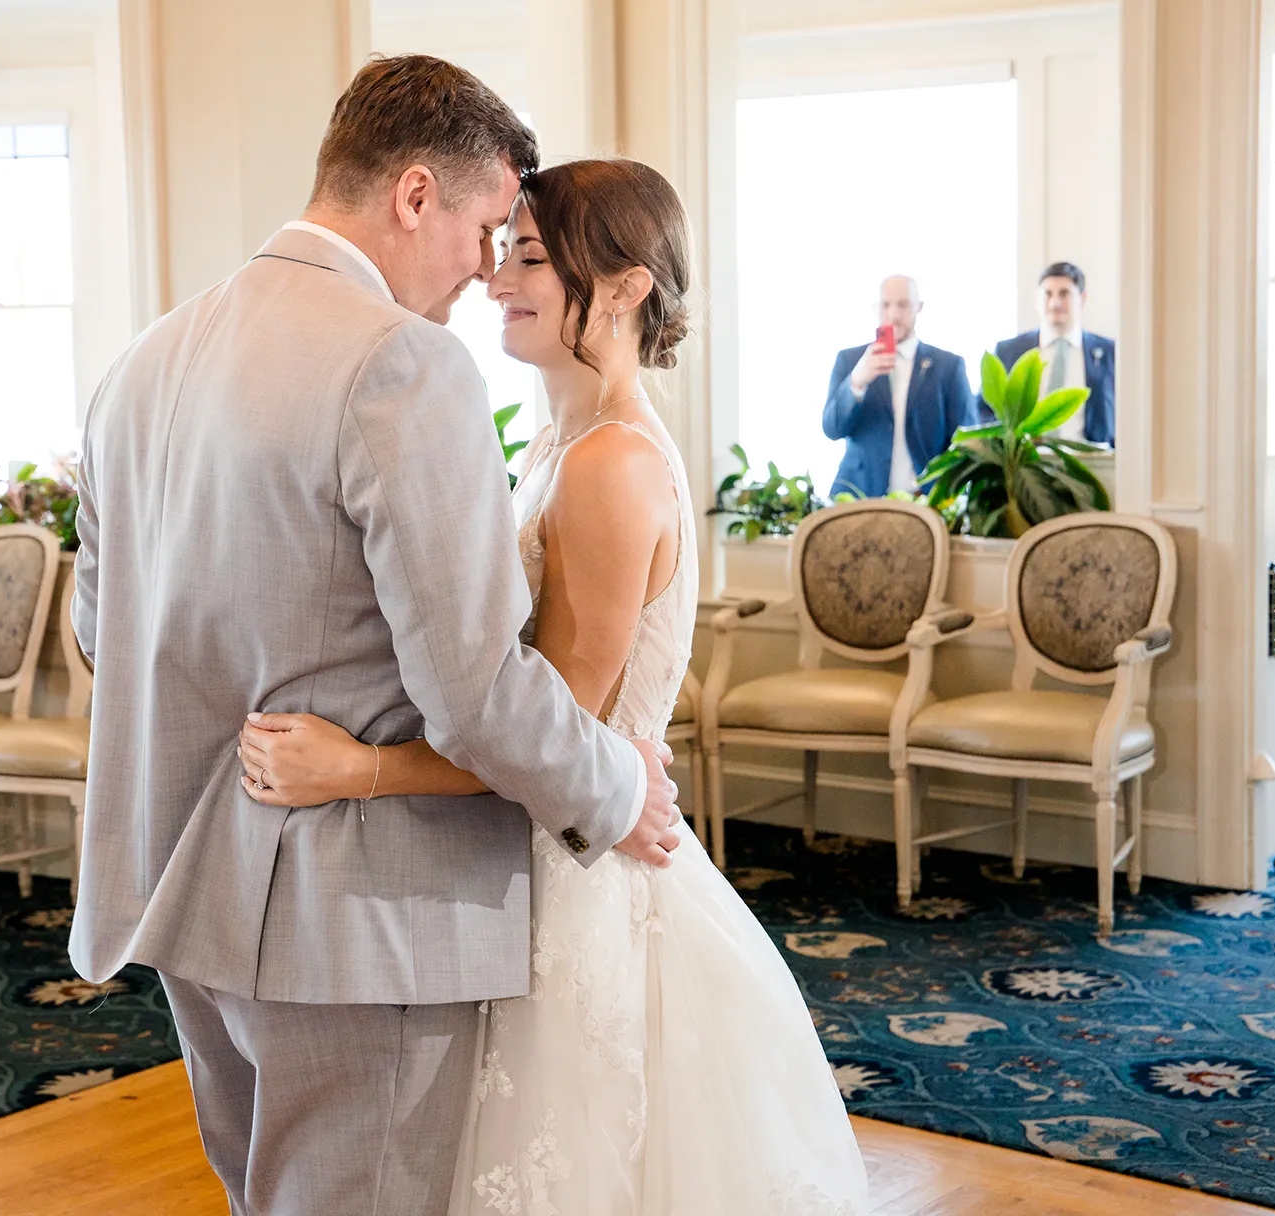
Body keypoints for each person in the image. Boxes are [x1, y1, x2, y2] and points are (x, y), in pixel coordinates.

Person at [68, 55, 682, 1216]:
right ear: (413, 197)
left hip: (180, 892)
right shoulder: (399, 362)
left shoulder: (138, 362)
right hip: (356, 919)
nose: (485, 269)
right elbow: (474, 688)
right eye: (489, 226)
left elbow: (103, 628)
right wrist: (615, 781)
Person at [238, 160, 868, 1215]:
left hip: (581, 878)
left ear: (623, 286)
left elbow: (558, 735)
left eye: (531, 256)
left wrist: (359, 767)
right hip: (535, 856)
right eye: (502, 249)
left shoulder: (612, 466)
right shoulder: (556, 443)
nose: (496, 278)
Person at [820, 274, 971, 498]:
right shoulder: (850, 360)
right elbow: (832, 429)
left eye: (903, 304)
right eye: (886, 305)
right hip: (859, 497)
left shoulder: (948, 367)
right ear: (875, 308)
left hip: (926, 501)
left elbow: (965, 440)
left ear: (919, 307)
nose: (893, 314)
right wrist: (856, 383)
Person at [989, 260, 1115, 445]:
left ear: (1082, 298)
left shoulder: (1109, 352)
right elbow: (986, 411)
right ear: (1036, 300)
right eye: (1048, 294)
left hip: (1091, 463)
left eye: (1064, 294)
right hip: (1025, 463)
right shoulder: (1009, 352)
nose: (1055, 303)